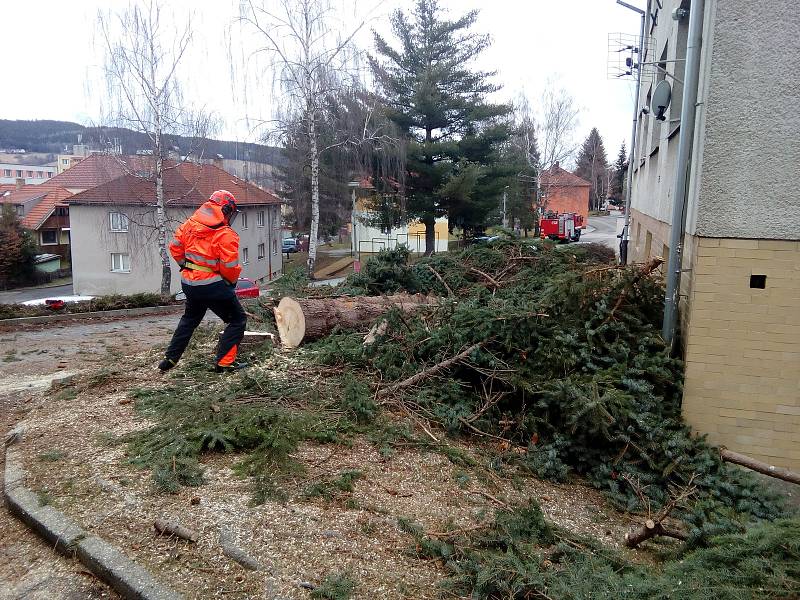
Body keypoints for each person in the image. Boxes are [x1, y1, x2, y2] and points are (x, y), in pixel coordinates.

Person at [158, 190, 248, 373]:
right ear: (226, 209)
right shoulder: (225, 234)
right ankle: (224, 363)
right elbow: (229, 267)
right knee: (238, 319)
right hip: (212, 286)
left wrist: (187, 266)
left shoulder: (190, 224)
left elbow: (175, 247)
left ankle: (170, 358)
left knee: (189, 319)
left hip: (189, 283)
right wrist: (229, 284)